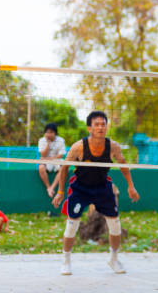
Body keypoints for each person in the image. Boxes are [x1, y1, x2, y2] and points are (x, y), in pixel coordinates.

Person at [51, 111, 140, 276]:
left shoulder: (113, 146)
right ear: (89, 128)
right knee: (72, 226)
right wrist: (61, 192)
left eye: (103, 124)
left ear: (106, 127)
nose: (100, 127)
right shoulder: (79, 147)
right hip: (80, 189)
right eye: (96, 124)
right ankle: (66, 261)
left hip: (102, 188)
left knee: (115, 225)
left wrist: (131, 186)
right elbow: (64, 168)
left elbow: (122, 164)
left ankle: (113, 259)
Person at [38, 123, 66, 198]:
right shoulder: (41, 140)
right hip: (46, 162)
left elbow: (61, 155)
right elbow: (43, 154)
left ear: (55, 133)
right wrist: (48, 144)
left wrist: (47, 159)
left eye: (51, 132)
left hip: (57, 160)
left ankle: (52, 188)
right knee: (41, 168)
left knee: (63, 169)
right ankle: (48, 188)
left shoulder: (61, 140)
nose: (48, 134)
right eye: (47, 132)